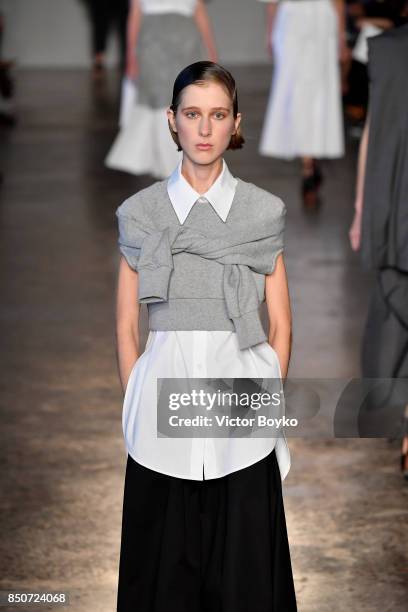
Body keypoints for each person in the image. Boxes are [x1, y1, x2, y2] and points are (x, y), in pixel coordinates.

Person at [114, 61, 297, 610]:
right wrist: (137, 398)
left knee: (245, 585)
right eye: (192, 114)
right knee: (161, 586)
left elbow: (282, 324)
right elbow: (127, 324)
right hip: (159, 427)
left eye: (217, 115)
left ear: (234, 123)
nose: (204, 128)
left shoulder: (262, 214)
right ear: (172, 121)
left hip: (239, 422)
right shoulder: (140, 214)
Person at [349, 22, 408, 480]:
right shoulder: (385, 49)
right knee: (394, 305)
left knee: (395, 306)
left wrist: (362, 208)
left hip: (393, 198)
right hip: (393, 199)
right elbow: (373, 128)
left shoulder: (385, 50)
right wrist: (359, 208)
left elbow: (372, 130)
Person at [105, 0, 218, 180]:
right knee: (159, 99)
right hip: (152, 41)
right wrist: (131, 57)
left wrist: (211, 52)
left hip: (186, 43)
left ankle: (180, 163)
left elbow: (199, 11)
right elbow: (135, 14)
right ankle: (168, 164)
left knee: (184, 99)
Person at [257, 0, 346, 207]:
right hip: (302, 20)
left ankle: (308, 163)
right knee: (301, 95)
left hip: (311, 20)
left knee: (312, 94)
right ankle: (309, 161)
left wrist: (341, 35)